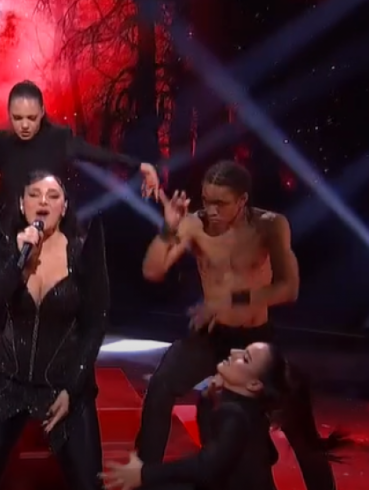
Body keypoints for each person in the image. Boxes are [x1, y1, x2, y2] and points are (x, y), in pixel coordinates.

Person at [136, 160, 341, 490]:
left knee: (297, 423)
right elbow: (152, 270)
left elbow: (288, 288)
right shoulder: (195, 224)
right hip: (212, 336)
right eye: (207, 200)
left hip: (256, 343)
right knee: (161, 385)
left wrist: (230, 300)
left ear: (243, 200)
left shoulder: (270, 225)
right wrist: (168, 228)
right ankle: (142, 477)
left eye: (221, 203)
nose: (211, 210)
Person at [0, 171, 108, 490]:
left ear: (64, 207)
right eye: (34, 194)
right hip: (6, 381)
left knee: (89, 483)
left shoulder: (82, 250)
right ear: (22, 203)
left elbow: (96, 321)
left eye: (53, 196)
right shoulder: (9, 247)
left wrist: (72, 388)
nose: (43, 201)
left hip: (64, 382)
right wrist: (19, 262)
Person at [0, 80, 160, 230]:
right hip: (13, 238)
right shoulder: (3, 141)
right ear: (9, 113)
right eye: (17, 118)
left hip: (54, 236)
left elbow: (98, 154)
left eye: (31, 117)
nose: (24, 125)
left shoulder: (59, 138)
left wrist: (139, 165)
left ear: (42, 112)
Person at [102, 342, 289, 490]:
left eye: (245, 358)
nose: (233, 352)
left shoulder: (236, 414)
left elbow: (206, 467)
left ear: (254, 385)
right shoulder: (251, 410)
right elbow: (213, 448)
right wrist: (207, 399)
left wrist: (145, 474)